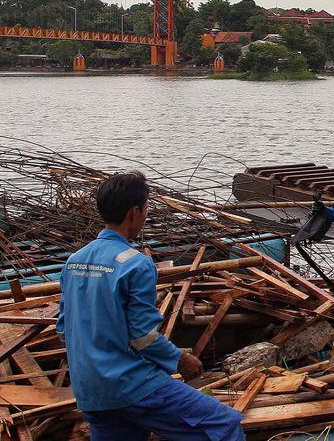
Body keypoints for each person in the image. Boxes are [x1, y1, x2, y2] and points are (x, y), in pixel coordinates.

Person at [57, 172, 244, 441]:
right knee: (223, 426)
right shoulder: (135, 264)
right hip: (131, 385)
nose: (146, 215)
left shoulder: (74, 261)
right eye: (146, 208)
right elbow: (143, 336)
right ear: (134, 212)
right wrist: (180, 359)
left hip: (90, 391)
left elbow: (64, 328)